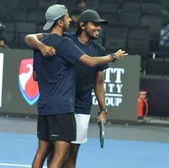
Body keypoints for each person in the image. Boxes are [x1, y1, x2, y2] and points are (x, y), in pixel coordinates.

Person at [29, 4, 127, 168]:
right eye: (94, 24)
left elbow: (99, 83)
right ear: (82, 25)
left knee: (70, 152)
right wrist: (113, 57)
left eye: (99, 25)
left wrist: (103, 110)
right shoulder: (65, 40)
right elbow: (30, 37)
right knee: (56, 152)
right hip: (64, 105)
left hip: (79, 107)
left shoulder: (98, 49)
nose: (98, 28)